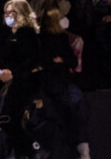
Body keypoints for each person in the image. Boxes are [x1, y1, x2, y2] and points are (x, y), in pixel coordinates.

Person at [0, 0, 43, 159]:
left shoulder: (26, 33)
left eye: (11, 12)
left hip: (25, 82)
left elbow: (31, 59)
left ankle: (33, 146)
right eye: (6, 12)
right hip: (15, 82)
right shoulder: (12, 35)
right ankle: (28, 151)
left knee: (7, 119)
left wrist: (13, 73)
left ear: (21, 13)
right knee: (7, 120)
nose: (7, 15)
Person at [40, 8, 91, 159]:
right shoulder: (43, 39)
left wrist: (61, 61)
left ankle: (83, 145)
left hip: (64, 81)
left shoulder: (62, 37)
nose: (64, 19)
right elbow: (45, 62)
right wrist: (58, 62)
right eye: (60, 17)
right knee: (62, 109)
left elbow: (72, 61)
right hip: (50, 83)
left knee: (80, 101)